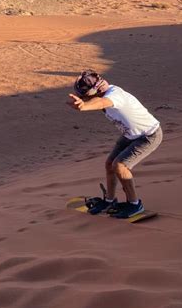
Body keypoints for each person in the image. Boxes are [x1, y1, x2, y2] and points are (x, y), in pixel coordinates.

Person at [67, 69, 163, 218]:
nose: (84, 98)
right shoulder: (104, 92)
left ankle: (135, 204)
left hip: (149, 135)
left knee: (120, 165)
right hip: (131, 135)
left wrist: (84, 106)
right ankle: (109, 200)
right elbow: (98, 100)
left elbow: (101, 102)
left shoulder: (115, 95)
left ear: (96, 89)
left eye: (85, 95)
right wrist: (85, 102)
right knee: (109, 163)